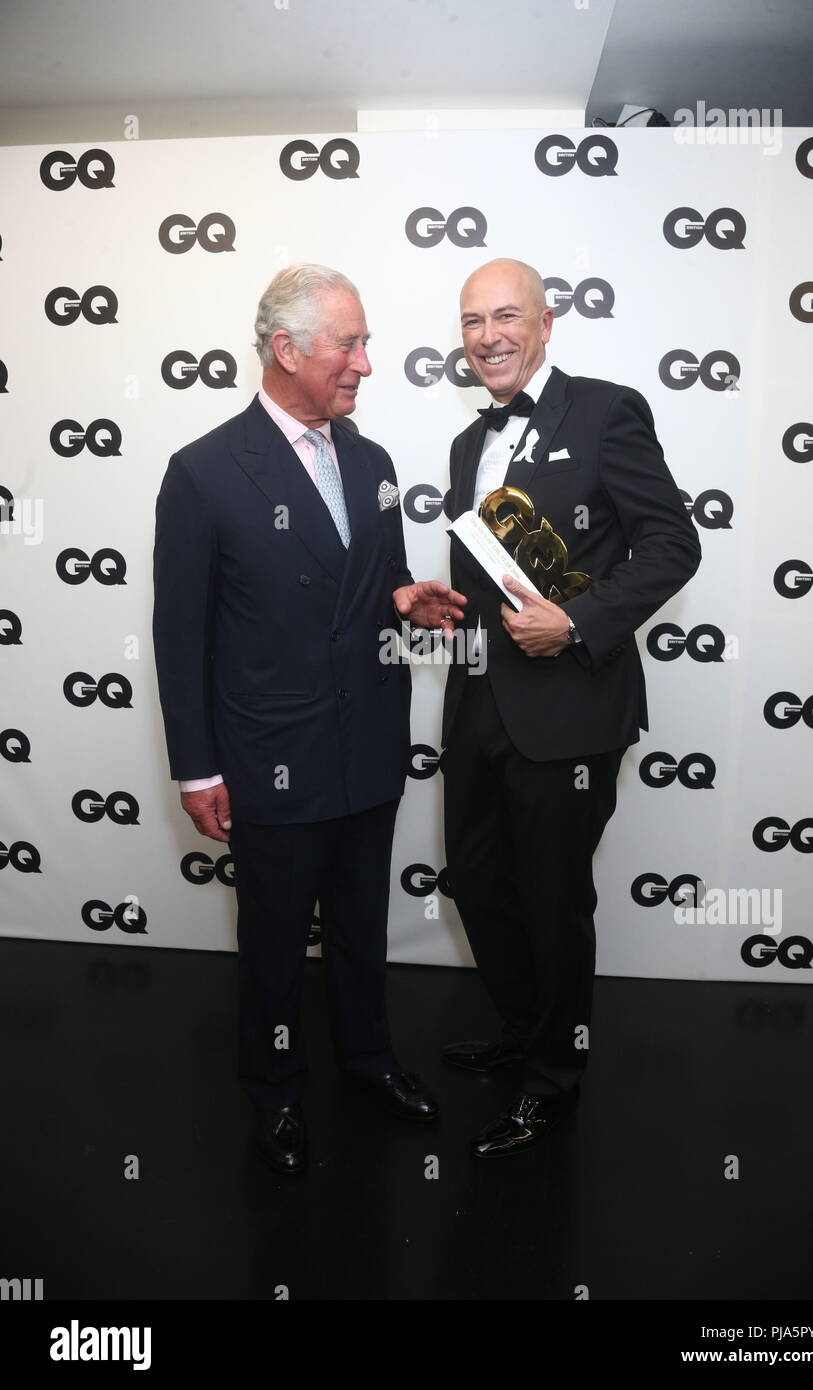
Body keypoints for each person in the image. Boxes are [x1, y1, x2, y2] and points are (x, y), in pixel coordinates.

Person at [152, 263, 465, 1176]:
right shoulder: (203, 473)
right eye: (349, 344)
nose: (366, 362)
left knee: (363, 927)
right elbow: (181, 637)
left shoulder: (370, 461)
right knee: (276, 943)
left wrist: (402, 602)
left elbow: (369, 589)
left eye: (364, 342)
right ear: (286, 350)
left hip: (367, 744)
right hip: (269, 757)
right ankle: (276, 1091)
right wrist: (197, 769)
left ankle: (368, 1063)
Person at [440, 257, 701, 1158]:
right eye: (473, 322)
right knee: (478, 881)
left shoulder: (606, 410)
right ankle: (524, 1032)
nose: (489, 337)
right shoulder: (467, 445)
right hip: (475, 702)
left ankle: (553, 1083)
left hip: (569, 710)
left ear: (547, 322)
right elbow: (493, 574)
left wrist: (582, 622)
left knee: (553, 903)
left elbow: (673, 543)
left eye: (506, 316)